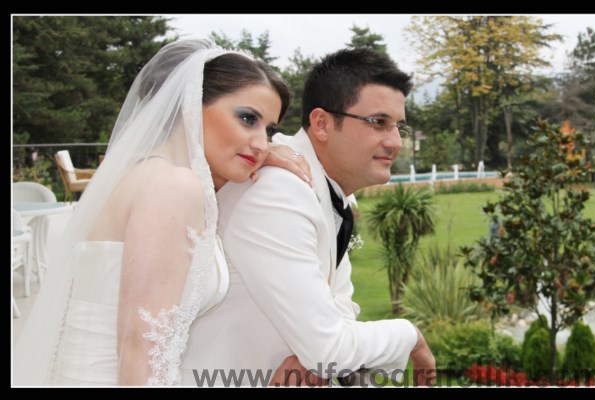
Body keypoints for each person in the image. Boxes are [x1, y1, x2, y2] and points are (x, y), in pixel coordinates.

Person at [12, 39, 309, 386]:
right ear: (189, 104)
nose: (261, 142)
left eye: (269, 130)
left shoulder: (145, 174)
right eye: (248, 119)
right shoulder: (174, 187)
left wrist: (259, 154)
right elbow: (140, 347)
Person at [181, 48, 436, 387]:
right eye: (378, 123)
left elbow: (339, 310)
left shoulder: (323, 188)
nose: (395, 142)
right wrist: (411, 336)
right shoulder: (275, 191)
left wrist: (322, 352)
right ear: (321, 124)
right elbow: (329, 350)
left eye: (399, 126)